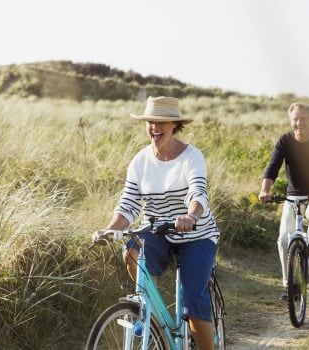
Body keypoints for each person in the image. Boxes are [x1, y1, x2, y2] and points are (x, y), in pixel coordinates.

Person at [94, 96, 220, 349]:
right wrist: (109, 229)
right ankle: (151, 312)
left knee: (193, 300)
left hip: (196, 234)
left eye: (161, 121)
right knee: (130, 249)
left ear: (174, 124)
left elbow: (198, 193)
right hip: (157, 231)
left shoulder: (191, 157)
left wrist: (191, 216)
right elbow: (127, 206)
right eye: (151, 121)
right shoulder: (140, 161)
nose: (155, 126)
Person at [258, 102, 309, 300]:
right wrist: (264, 190)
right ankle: (290, 286)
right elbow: (272, 168)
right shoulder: (285, 141)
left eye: (303, 118)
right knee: (284, 239)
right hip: (294, 194)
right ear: (290, 121)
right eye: (295, 119)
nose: (299, 123)